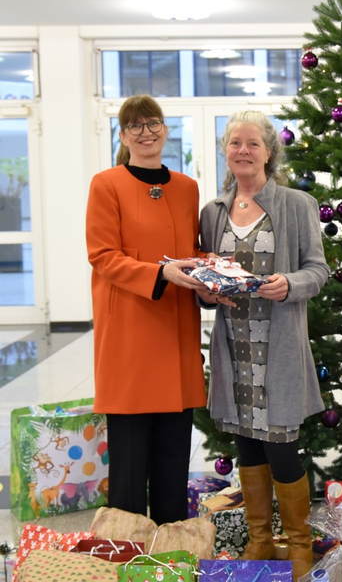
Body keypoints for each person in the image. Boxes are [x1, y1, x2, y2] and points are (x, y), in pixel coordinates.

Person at [199, 110, 329, 580]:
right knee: (246, 445)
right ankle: (260, 539)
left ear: (270, 152)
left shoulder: (296, 204)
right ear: (225, 151)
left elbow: (317, 270)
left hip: (279, 349)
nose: (243, 151)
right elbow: (206, 271)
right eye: (235, 142)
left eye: (253, 143)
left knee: (282, 446)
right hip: (234, 348)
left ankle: (298, 544)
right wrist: (206, 289)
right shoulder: (213, 211)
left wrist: (288, 284)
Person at [86, 95, 209, 525]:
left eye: (153, 123)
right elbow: (103, 255)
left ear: (165, 129)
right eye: (135, 126)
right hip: (131, 336)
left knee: (174, 459)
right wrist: (162, 275)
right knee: (130, 466)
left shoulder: (186, 187)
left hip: (175, 333)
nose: (146, 132)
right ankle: (128, 550)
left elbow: (192, 252)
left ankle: (173, 550)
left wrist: (211, 278)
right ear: (123, 135)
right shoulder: (107, 184)